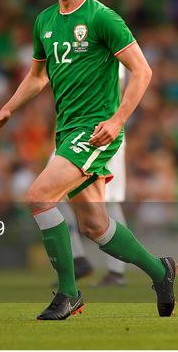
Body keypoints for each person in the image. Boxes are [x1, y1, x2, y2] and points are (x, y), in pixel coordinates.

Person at [0, 0, 178, 321]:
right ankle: (161, 272)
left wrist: (118, 120)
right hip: (66, 131)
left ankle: (68, 293)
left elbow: (143, 70)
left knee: (39, 197)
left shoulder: (102, 17)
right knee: (94, 225)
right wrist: (8, 108)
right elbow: (37, 77)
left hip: (94, 131)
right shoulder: (44, 20)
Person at [58, 64, 129, 286]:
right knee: (50, 194)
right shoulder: (67, 39)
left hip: (100, 130)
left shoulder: (104, 38)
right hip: (72, 131)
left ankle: (116, 270)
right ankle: (78, 258)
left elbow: (118, 84)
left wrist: (111, 122)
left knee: (108, 200)